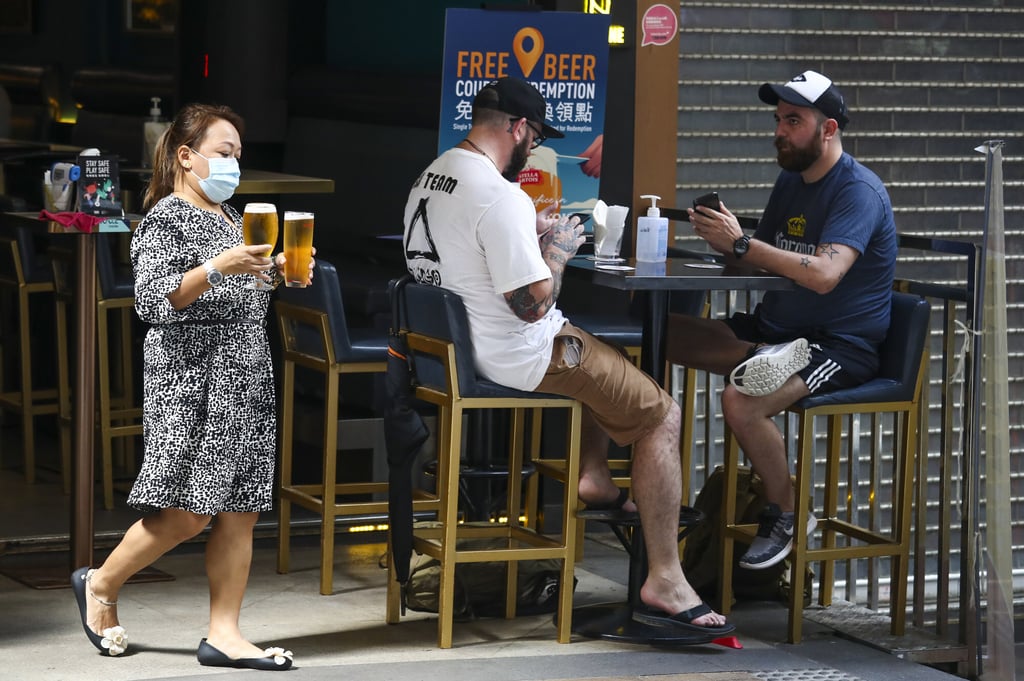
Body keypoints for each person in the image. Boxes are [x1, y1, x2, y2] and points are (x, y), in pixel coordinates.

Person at [402, 77, 733, 636]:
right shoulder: (499, 194)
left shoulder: (433, 175)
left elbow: (464, 247)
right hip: (518, 354)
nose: (533, 149)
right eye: (534, 137)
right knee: (661, 414)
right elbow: (532, 306)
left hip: (453, 351)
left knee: (609, 362)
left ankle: (596, 478)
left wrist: (525, 231)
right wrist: (555, 252)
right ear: (518, 128)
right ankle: (666, 579)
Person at [70, 102, 313, 671]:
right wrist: (219, 268)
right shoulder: (163, 219)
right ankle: (100, 584)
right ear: (187, 156)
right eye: (224, 153)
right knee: (187, 511)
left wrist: (277, 270)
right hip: (192, 379)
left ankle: (224, 633)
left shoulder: (232, 216)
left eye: (237, 155)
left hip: (247, 373)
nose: (233, 163)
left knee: (241, 508)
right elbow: (153, 301)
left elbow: (243, 287)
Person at [668, 70, 897, 570]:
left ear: (829, 129)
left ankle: (789, 513)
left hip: (837, 345)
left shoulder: (857, 191)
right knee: (660, 336)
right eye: (777, 119)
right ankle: (759, 363)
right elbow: (753, 260)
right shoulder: (790, 181)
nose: (779, 130)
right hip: (775, 330)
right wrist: (723, 244)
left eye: (794, 120)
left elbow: (823, 275)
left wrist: (744, 243)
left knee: (741, 401)